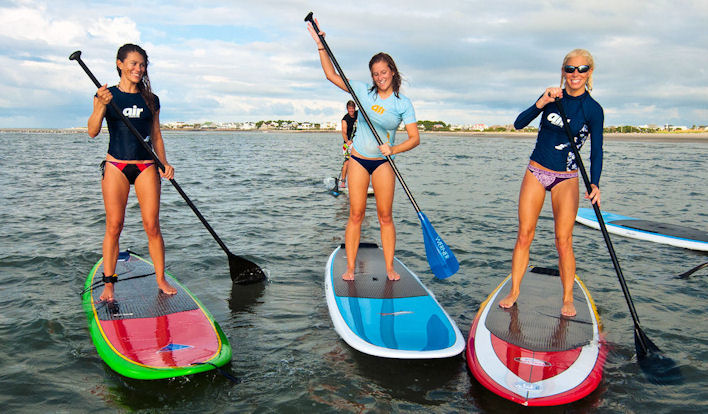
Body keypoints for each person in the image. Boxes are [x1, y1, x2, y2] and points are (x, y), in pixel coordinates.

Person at [308, 20, 420, 281]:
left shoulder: (403, 103)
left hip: (383, 163)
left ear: (392, 71)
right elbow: (330, 76)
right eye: (375, 74)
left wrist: (393, 148)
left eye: (383, 72)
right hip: (358, 159)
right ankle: (349, 268)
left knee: (385, 216)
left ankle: (390, 267)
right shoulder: (361, 92)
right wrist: (321, 46)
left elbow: (415, 138)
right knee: (356, 213)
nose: (380, 77)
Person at [498, 49, 604, 317]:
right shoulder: (552, 98)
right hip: (537, 170)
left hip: (566, 178)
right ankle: (514, 291)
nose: (575, 74)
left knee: (563, 240)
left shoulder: (593, 110)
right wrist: (542, 102)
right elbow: (519, 124)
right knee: (524, 235)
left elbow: (597, 151)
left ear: (589, 72)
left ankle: (567, 298)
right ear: (563, 72)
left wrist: (595, 183)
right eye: (570, 69)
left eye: (581, 69)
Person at [87, 43, 177, 302]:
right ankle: (109, 285)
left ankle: (161, 279)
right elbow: (92, 131)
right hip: (116, 165)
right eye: (133, 63)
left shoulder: (151, 99)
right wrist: (101, 106)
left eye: (142, 64)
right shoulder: (107, 95)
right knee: (114, 226)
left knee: (152, 225)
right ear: (120, 64)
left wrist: (164, 163)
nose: (138, 69)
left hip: (146, 165)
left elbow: (156, 135)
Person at [339, 100, 358, 188]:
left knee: (357, 162)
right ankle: (343, 182)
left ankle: (356, 181)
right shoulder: (345, 119)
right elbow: (343, 132)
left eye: (352, 108)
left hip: (357, 142)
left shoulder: (358, 114)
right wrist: (348, 141)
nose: (351, 110)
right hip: (347, 144)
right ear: (347, 109)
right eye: (350, 109)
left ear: (354, 108)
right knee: (347, 162)